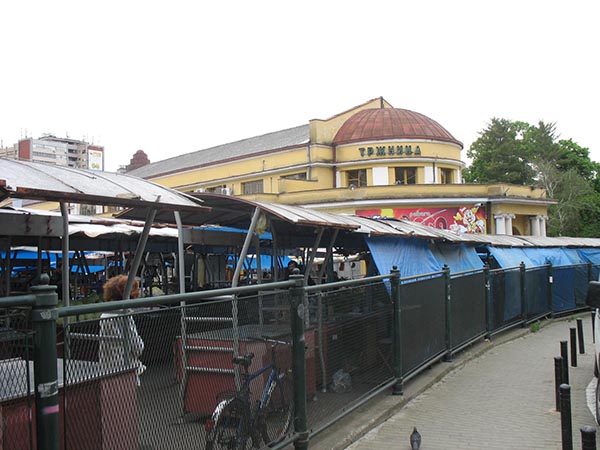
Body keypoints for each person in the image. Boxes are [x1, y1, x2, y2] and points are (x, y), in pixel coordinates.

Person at [99, 275, 145, 385]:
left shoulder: (105, 313)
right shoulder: (124, 314)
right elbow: (137, 347)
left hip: (106, 367)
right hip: (125, 367)